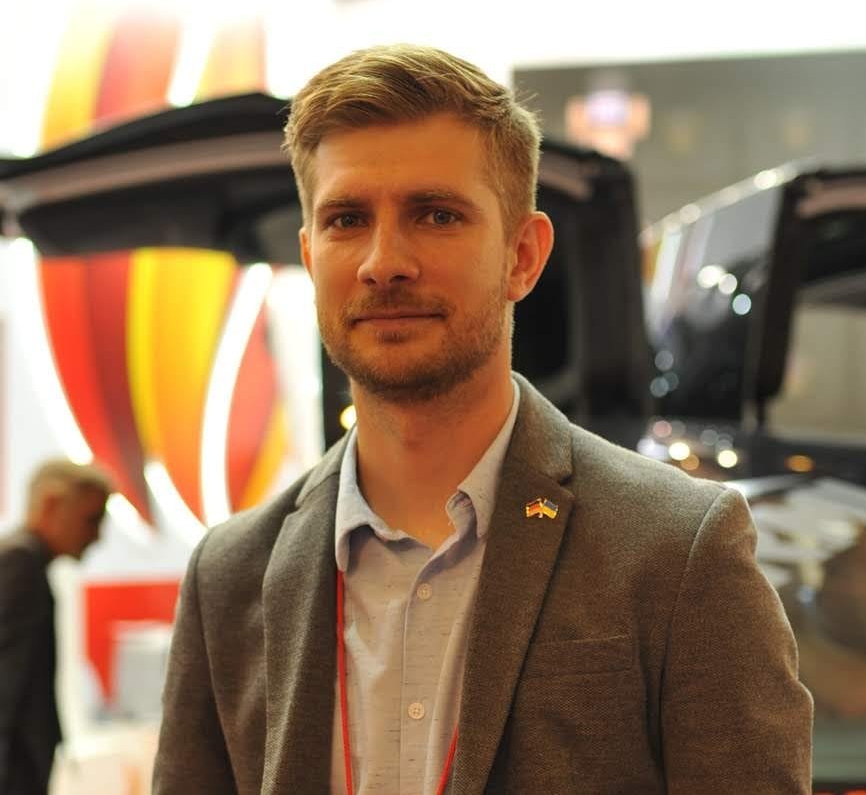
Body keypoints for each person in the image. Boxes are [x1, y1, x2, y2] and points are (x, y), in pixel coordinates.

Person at [153, 44, 813, 794]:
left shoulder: (675, 551)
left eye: (436, 215)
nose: (383, 261)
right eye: (347, 219)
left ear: (522, 256)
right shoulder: (230, 577)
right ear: (310, 256)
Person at [0, 459, 111, 795]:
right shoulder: (20, 565)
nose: (96, 535)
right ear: (51, 504)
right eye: (91, 519)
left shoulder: (25, 563)